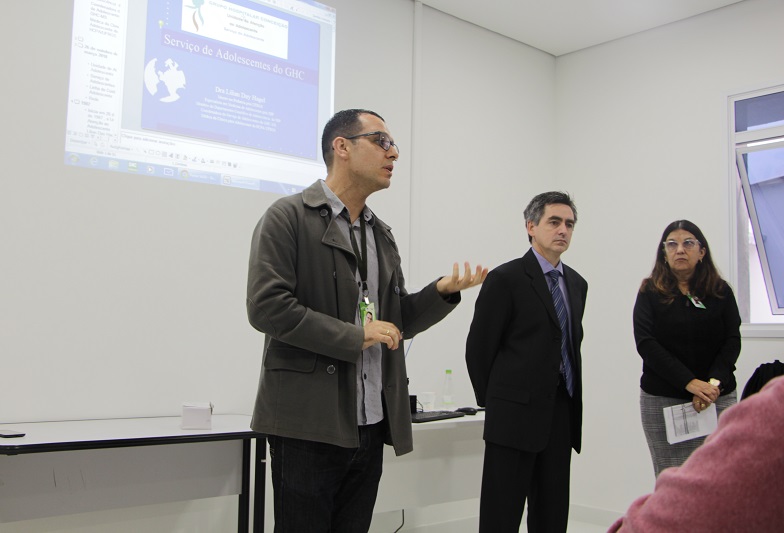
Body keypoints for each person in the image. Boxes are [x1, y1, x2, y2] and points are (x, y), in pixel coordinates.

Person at [246, 108, 487, 532]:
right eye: (381, 141)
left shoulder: (380, 235)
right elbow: (267, 307)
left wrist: (441, 292)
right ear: (341, 147)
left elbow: (395, 323)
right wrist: (354, 336)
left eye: (393, 145)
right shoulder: (287, 216)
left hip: (369, 423)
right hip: (307, 424)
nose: (393, 153)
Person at [465, 191, 587, 533]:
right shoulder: (506, 279)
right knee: (501, 517)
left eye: (569, 224)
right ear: (531, 227)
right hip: (513, 416)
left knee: (552, 517)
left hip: (560, 413)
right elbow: (479, 349)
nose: (563, 230)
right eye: (554, 222)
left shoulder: (577, 284)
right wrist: (497, 403)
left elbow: (568, 345)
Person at [633, 220, 741, 477]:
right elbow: (646, 343)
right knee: (673, 481)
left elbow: (732, 340)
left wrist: (712, 385)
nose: (680, 249)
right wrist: (690, 383)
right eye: (672, 244)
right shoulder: (649, 291)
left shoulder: (721, 291)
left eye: (688, 243)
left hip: (716, 397)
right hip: (664, 400)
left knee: (721, 478)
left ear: (701, 252)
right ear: (664, 253)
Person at [608, 375, 784, 532]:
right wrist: (689, 383)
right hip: (665, 392)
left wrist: (711, 385)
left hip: (717, 393)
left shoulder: (774, 413)